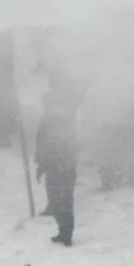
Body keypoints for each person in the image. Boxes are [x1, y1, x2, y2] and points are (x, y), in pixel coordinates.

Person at [35, 92, 77, 246]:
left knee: (58, 199)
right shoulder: (65, 118)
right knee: (64, 199)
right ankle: (65, 231)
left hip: (57, 166)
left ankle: (65, 232)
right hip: (66, 166)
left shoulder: (50, 121)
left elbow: (44, 145)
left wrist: (41, 165)